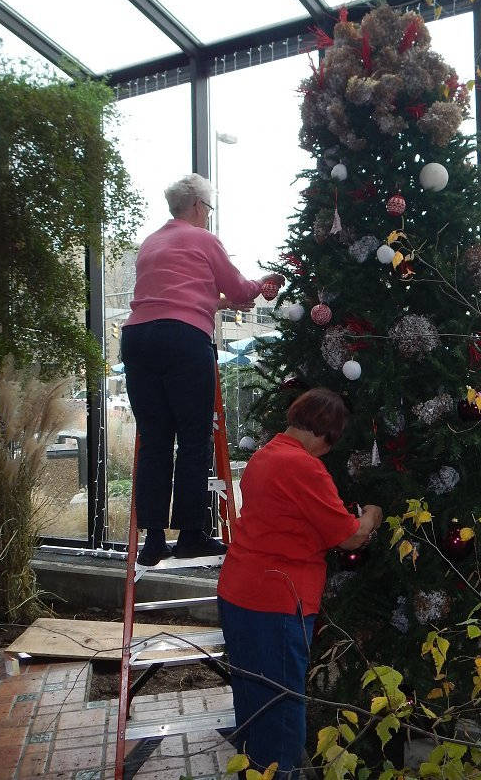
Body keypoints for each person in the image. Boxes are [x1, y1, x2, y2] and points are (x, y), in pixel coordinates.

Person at [217, 388, 382, 779]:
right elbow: (349, 536)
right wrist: (372, 516)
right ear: (326, 433)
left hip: (239, 592)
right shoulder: (303, 466)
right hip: (276, 602)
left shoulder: (265, 455)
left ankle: (253, 771)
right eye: (333, 441)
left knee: (252, 701)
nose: (329, 450)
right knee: (282, 710)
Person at [121, 173, 284, 566]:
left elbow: (176, 298)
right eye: (208, 208)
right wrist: (259, 285)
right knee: (194, 438)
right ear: (197, 206)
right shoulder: (202, 239)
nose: (208, 215)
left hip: (138, 338)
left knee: (156, 437)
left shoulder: (152, 243)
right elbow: (241, 289)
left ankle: (153, 539)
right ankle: (193, 533)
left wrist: (223, 302)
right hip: (183, 341)